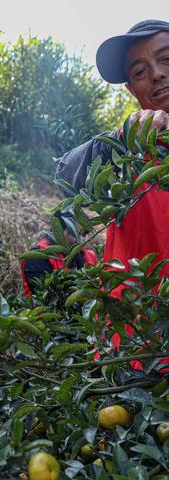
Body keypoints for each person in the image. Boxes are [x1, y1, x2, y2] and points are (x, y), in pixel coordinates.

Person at [55, 19, 169, 374]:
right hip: (135, 358)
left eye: (166, 59)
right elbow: (65, 175)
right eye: (140, 71)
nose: (157, 75)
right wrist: (121, 140)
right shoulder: (128, 153)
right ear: (132, 90)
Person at [21, 212, 97, 296]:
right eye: (79, 234)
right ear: (60, 231)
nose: (84, 239)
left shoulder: (88, 256)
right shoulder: (38, 257)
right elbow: (44, 296)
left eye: (86, 234)